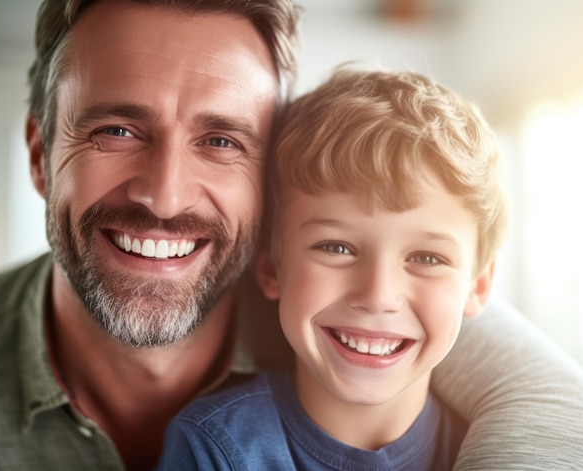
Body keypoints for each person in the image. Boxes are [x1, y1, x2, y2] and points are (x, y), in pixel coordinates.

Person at [0, 0, 583, 470]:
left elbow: (565, 410)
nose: (164, 196)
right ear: (37, 153)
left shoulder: (348, 319)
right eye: (116, 130)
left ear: (268, 188)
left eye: (221, 141)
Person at [155, 67, 505, 470]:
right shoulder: (212, 449)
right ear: (271, 268)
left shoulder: (501, 452)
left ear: (478, 285)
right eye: (336, 247)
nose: (377, 296)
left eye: (427, 258)